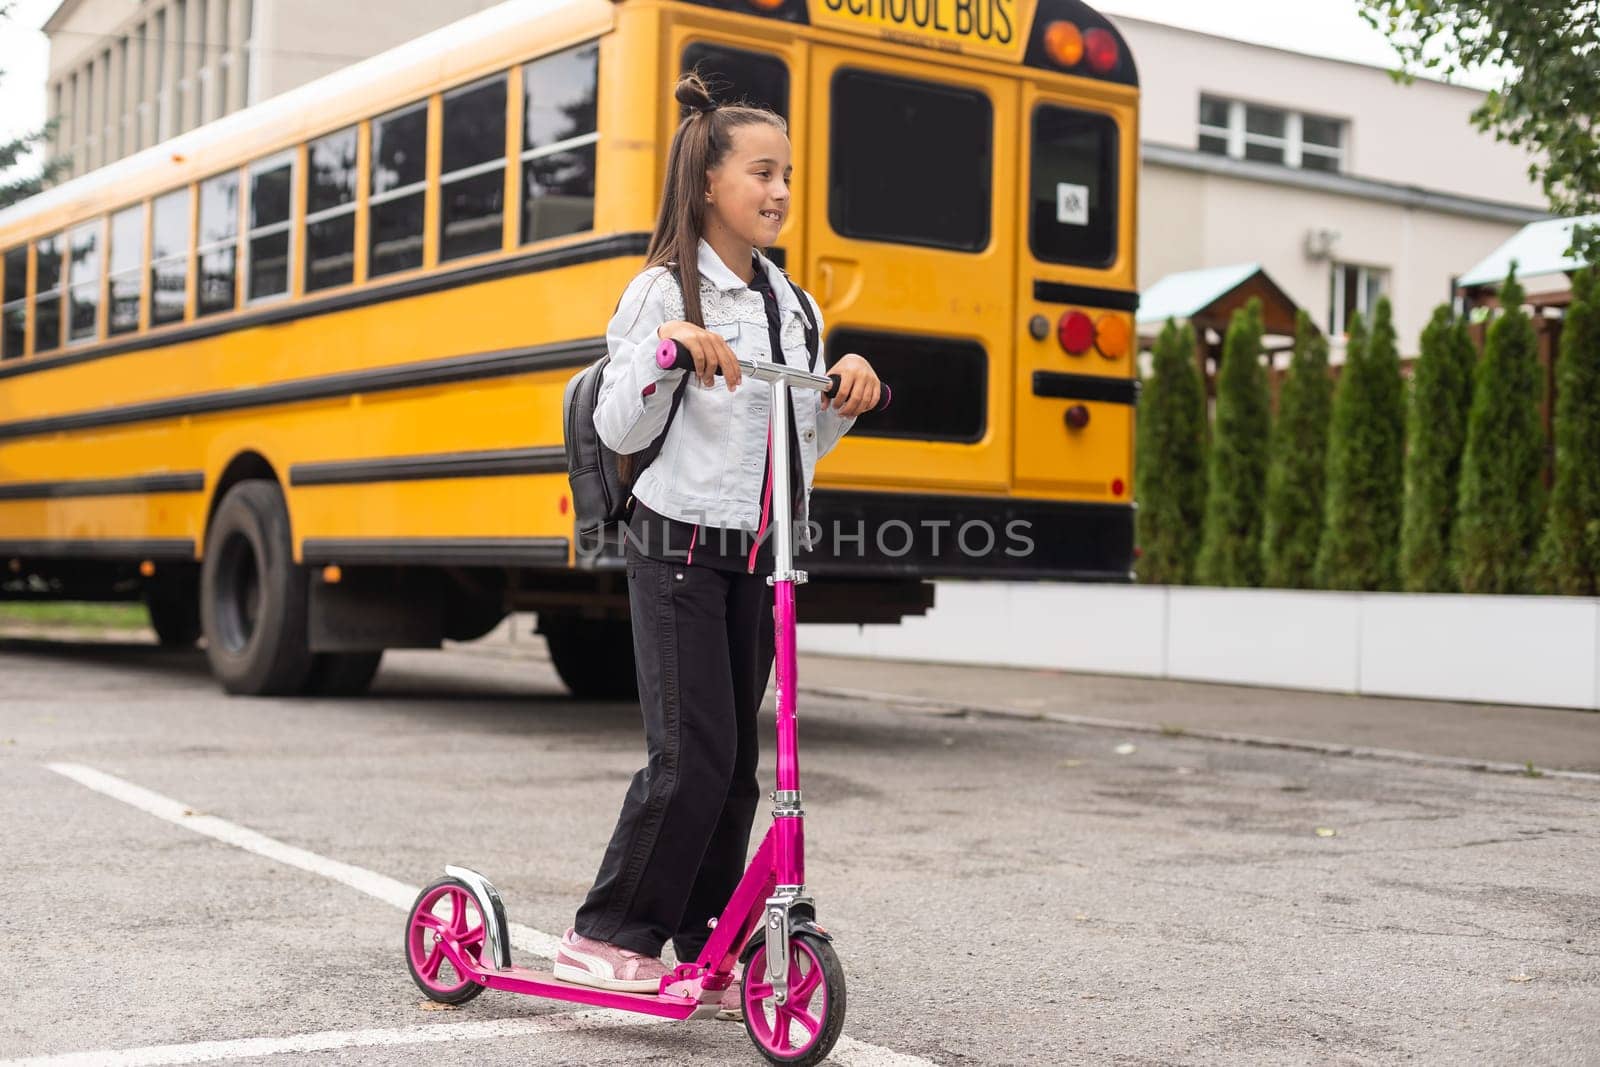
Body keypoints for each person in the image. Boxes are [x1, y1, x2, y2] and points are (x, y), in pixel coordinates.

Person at [551, 72, 881, 1017]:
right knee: (689, 754)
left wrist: (843, 387)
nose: (779, 191)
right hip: (678, 547)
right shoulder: (662, 289)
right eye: (761, 173)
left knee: (737, 764)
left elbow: (802, 438)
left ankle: (707, 937)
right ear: (709, 184)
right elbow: (617, 426)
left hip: (758, 553)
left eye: (788, 175)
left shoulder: (795, 305)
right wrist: (670, 350)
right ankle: (604, 934)